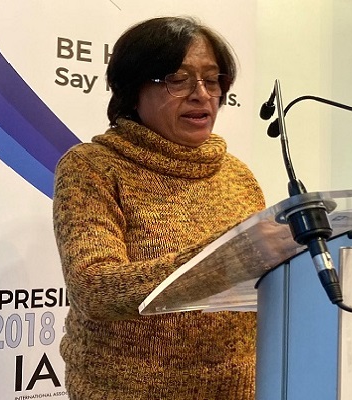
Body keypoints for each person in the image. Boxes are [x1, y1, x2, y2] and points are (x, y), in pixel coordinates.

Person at [52, 16, 265, 399]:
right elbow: (93, 289)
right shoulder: (92, 166)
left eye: (212, 79)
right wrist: (223, 259)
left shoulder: (237, 174)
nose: (201, 94)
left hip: (239, 390)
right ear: (134, 90)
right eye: (177, 80)